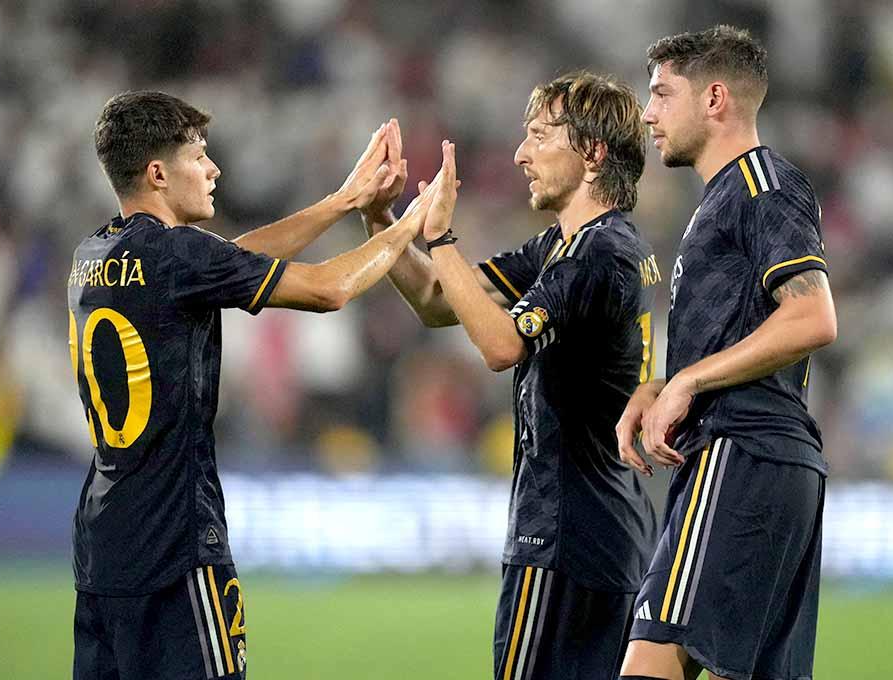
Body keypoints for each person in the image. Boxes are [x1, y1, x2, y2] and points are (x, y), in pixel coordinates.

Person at [68, 90, 443, 680]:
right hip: (176, 546)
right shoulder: (180, 257)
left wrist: (342, 202)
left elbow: (232, 261)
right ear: (159, 173)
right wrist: (407, 226)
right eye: (198, 156)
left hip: (103, 545)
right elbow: (328, 290)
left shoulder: (96, 252)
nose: (214, 168)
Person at [361, 73, 659, 680]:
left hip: (565, 535)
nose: (521, 153)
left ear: (593, 153)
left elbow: (499, 346)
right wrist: (381, 220)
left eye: (539, 136)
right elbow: (441, 302)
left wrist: (441, 233)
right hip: (611, 529)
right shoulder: (574, 245)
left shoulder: (594, 256)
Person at [615, 26, 838, 680]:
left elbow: (812, 315)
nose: (648, 112)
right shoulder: (722, 198)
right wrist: (661, 387)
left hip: (740, 449)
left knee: (651, 664)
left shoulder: (761, 182)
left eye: (661, 94)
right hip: (759, 458)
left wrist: (688, 380)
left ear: (715, 99)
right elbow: (746, 327)